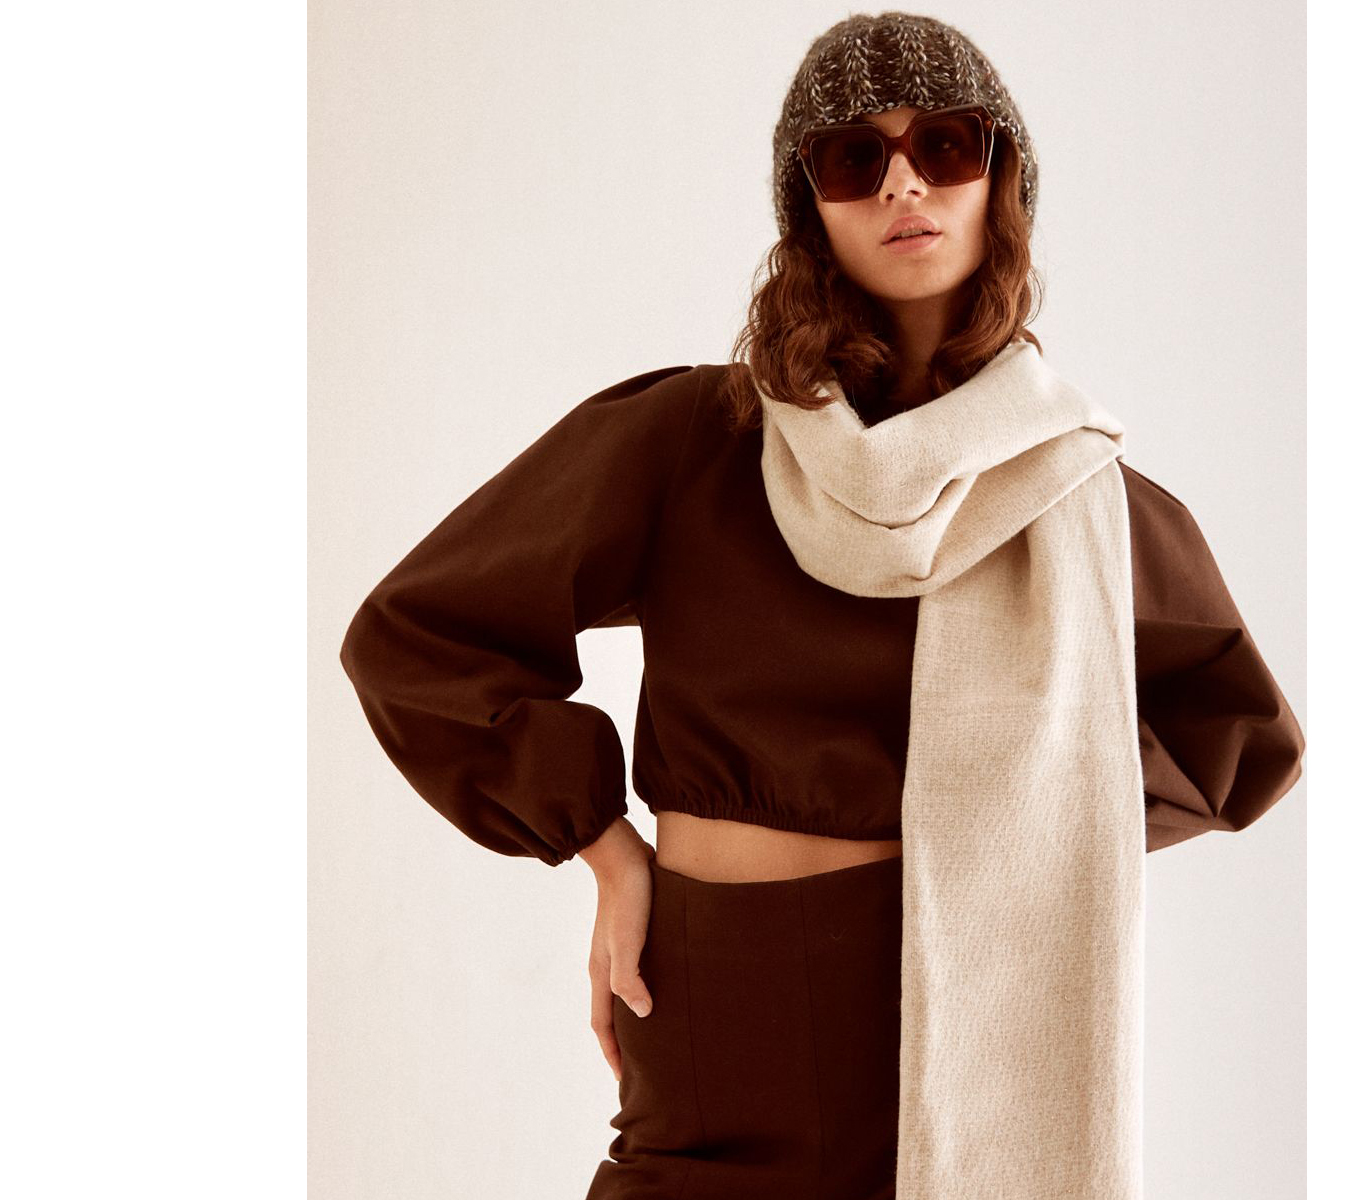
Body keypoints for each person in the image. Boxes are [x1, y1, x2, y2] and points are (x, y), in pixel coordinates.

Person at [338, 12, 1304, 1199]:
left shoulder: (1082, 497)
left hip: (971, 1009)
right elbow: (419, 634)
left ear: (1001, 180)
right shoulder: (695, 438)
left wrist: (1027, 826)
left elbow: (1237, 739)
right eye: (853, 158)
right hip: (715, 1003)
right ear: (809, 209)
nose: (903, 183)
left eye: (944, 144)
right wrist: (601, 845)